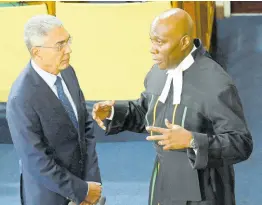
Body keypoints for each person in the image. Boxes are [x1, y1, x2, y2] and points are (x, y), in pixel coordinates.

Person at [92, 8, 253, 205]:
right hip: (165, 180)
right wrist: (115, 112)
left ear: (184, 42)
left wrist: (193, 141)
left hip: (205, 190)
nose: (152, 49)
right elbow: (147, 111)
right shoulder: (159, 71)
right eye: (151, 40)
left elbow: (241, 143)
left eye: (159, 42)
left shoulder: (216, 83)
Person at [6, 14, 104, 205]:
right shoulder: (21, 98)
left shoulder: (67, 71)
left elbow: (85, 128)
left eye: (68, 41)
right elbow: (36, 161)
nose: (69, 50)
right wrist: (80, 191)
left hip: (86, 187)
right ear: (37, 52)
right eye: (60, 45)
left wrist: (91, 182)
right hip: (50, 196)